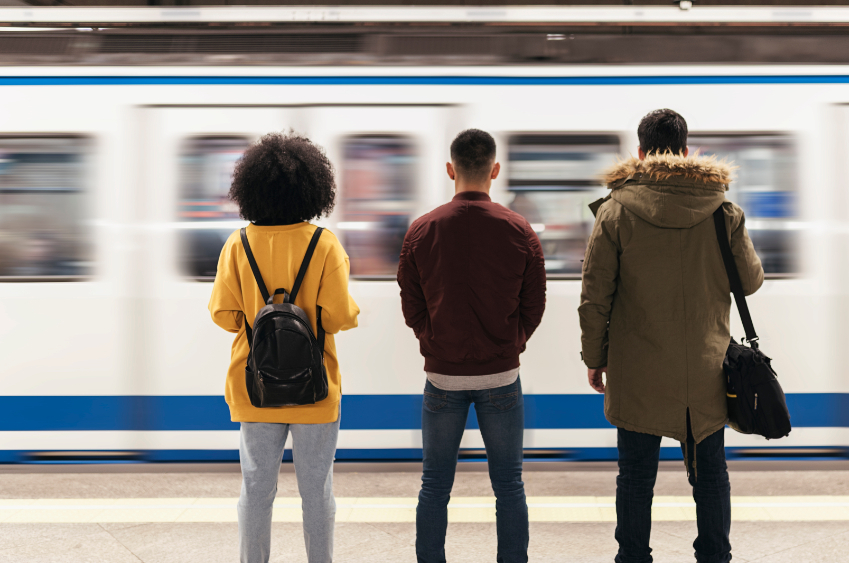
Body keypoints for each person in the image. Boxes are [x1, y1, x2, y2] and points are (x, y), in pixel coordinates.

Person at [579, 109, 764, 563]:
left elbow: (594, 297)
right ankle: (715, 556)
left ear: (641, 154)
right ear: (686, 152)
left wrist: (594, 356)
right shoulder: (723, 210)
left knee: (636, 478)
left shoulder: (616, 210)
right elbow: (751, 281)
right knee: (711, 476)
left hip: (638, 370)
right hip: (705, 370)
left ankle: (634, 557)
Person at [208, 133, 360, 563]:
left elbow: (223, 315)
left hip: (254, 388)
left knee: (256, 488)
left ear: (251, 189)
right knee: (318, 492)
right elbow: (337, 317)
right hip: (315, 389)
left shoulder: (237, 245)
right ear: (313, 188)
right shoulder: (325, 244)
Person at [397, 128, 546, 563]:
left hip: (441, 380)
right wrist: (510, 343)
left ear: (451, 170)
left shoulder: (422, 230)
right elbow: (533, 305)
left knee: (434, 484)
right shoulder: (519, 229)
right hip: (502, 378)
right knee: (509, 484)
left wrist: (433, 341)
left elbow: (412, 305)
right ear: (494, 170)